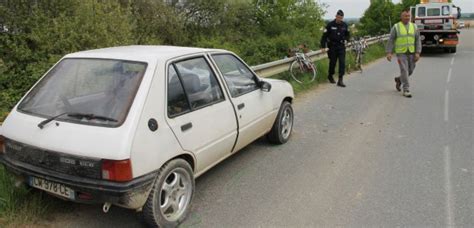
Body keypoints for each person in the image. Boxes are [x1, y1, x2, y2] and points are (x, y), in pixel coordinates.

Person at [386, 9, 422, 98]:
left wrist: (417, 52)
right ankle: (406, 89)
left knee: (410, 70)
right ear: (401, 16)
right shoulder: (396, 27)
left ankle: (399, 79)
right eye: (405, 16)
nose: (407, 18)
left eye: (408, 16)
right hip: (401, 53)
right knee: (404, 70)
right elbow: (391, 40)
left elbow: (417, 40)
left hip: (412, 52)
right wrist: (389, 52)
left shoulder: (414, 27)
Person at [320, 9, 350, 87]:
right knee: (332, 63)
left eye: (341, 18)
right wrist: (323, 46)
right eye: (338, 17)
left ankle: (340, 80)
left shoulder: (344, 25)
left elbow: (348, 35)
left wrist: (347, 40)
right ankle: (330, 75)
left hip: (341, 46)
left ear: (342, 18)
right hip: (332, 47)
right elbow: (324, 37)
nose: (339, 19)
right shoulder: (330, 25)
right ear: (336, 16)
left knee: (342, 63)